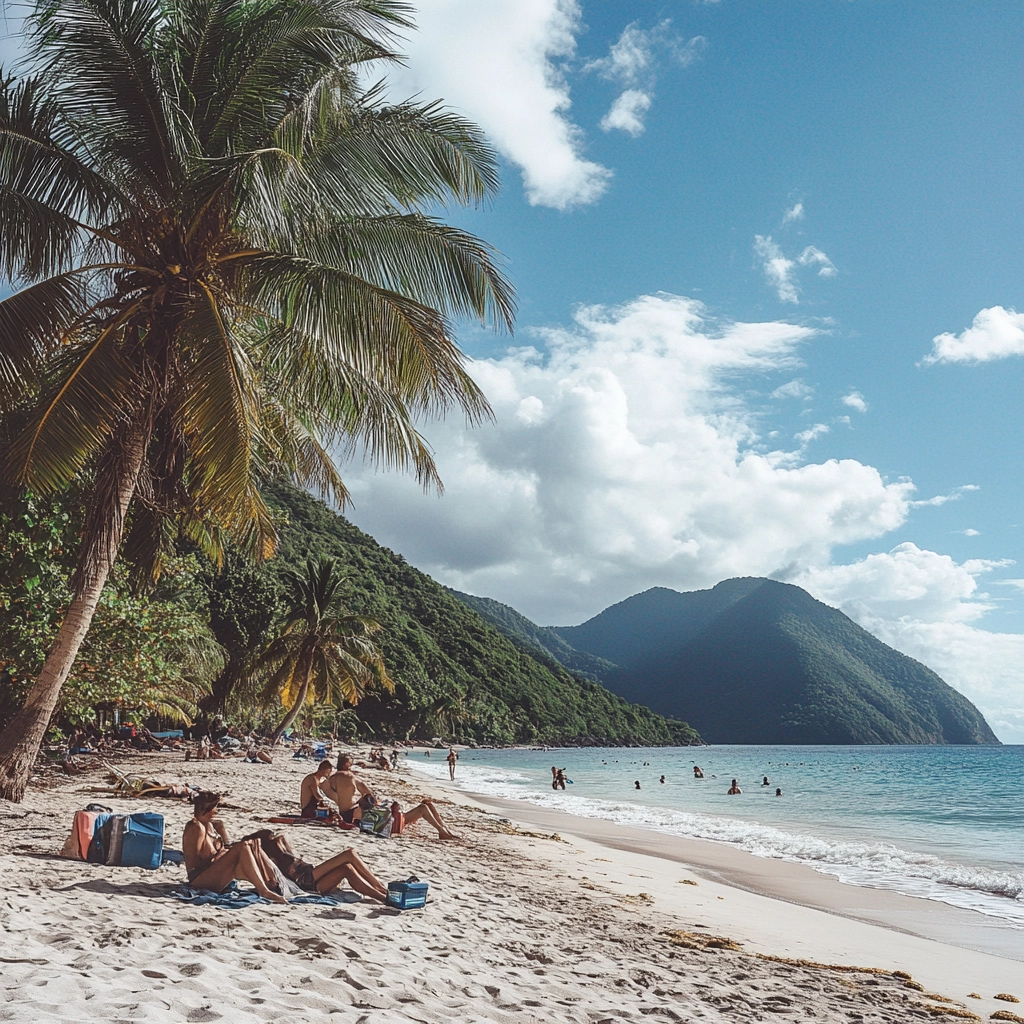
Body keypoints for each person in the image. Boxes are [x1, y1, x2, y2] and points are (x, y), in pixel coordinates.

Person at [182, 792, 288, 903]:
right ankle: (264, 891)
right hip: (199, 879)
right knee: (242, 847)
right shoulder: (196, 827)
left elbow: (218, 852)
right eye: (215, 807)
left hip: (212, 872)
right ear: (207, 808)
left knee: (252, 844)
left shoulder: (209, 825)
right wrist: (223, 855)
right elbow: (198, 861)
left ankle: (270, 882)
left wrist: (223, 841)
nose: (216, 811)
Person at [246, 830, 389, 902]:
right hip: (305, 881)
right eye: (272, 836)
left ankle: (382, 897)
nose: (276, 837)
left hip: (313, 879)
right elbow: (272, 879)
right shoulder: (272, 859)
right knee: (349, 854)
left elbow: (285, 837)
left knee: (347, 869)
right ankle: (379, 887)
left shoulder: (283, 851)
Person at [321, 752, 375, 823]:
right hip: (352, 812)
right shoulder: (350, 777)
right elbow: (368, 793)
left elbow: (325, 790)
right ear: (347, 765)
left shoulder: (331, 779)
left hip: (342, 813)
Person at [390, 798, 458, 841]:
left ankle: (445, 830)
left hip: (396, 816)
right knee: (422, 808)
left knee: (427, 803)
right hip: (394, 820)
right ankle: (441, 830)